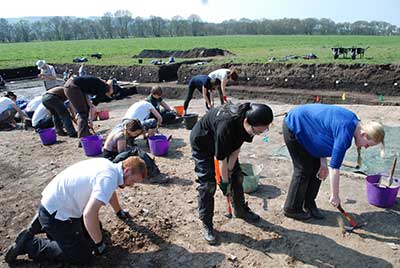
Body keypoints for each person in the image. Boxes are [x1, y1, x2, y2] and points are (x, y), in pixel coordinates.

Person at [5, 156, 147, 265]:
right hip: (56, 212)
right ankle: (29, 245)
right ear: (127, 171)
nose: (131, 185)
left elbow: (109, 192)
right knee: (82, 256)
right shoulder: (108, 179)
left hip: (56, 201)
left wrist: (118, 211)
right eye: (133, 181)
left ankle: (44, 224)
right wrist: (99, 245)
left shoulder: (108, 166)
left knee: (96, 231)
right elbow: (89, 214)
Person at [282, 104, 385, 221]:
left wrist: (323, 163)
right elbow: (335, 168)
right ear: (363, 134)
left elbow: (323, 135)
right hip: (294, 125)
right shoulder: (345, 135)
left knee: (318, 169)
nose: (365, 147)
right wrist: (335, 196)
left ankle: (309, 203)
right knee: (304, 169)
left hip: (309, 130)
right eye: (368, 145)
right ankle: (291, 209)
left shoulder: (353, 121)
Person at [190, 102, 273, 244]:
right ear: (246, 122)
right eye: (258, 131)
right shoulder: (226, 125)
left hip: (223, 143)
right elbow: (220, 159)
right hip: (203, 142)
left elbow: (235, 149)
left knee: (237, 176)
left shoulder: (247, 124)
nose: (258, 134)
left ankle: (240, 210)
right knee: (208, 185)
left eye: (262, 132)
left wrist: (230, 173)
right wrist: (224, 182)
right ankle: (207, 224)